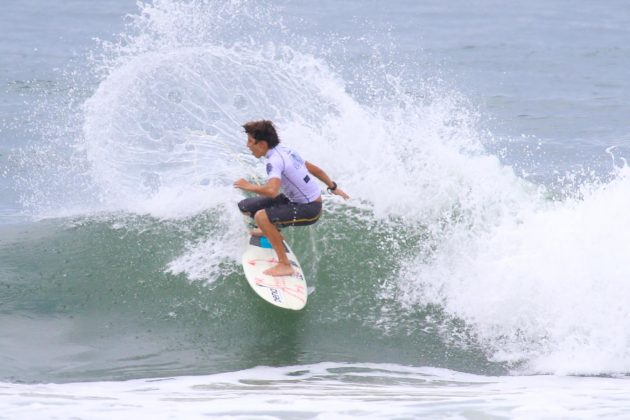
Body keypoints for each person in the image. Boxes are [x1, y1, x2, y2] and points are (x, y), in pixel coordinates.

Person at [234, 120, 349, 276]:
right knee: (245, 207)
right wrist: (334, 187)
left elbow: (272, 191)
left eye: (250, 141)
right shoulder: (286, 150)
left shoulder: (274, 161)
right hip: (293, 200)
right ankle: (273, 230)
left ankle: (284, 265)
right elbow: (315, 169)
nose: (247, 145)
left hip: (310, 208)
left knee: (261, 217)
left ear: (262, 144)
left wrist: (249, 186)